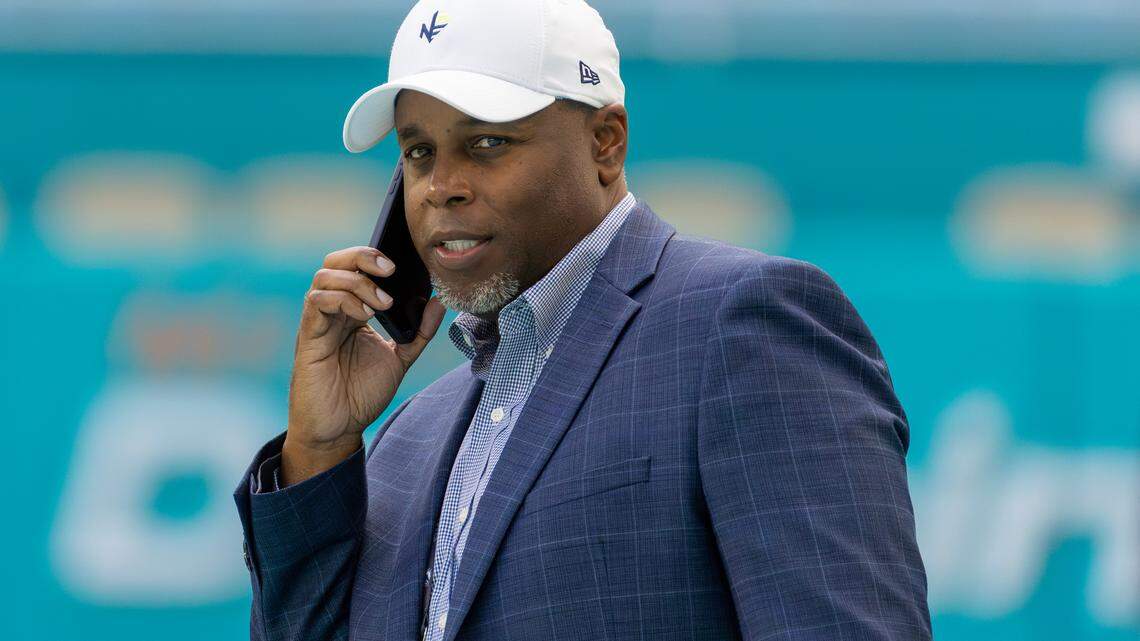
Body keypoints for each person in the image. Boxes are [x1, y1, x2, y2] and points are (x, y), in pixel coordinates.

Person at [232, 1, 932, 639]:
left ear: (606, 142)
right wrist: (320, 450)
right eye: (419, 153)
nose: (442, 187)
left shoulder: (744, 321)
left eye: (487, 143)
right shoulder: (408, 436)